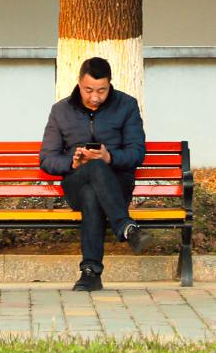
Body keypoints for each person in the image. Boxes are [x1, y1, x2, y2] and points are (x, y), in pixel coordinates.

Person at [39, 55, 147, 292]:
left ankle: (90, 274)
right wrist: (73, 164)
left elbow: (137, 153)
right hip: (75, 183)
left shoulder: (126, 105)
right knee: (89, 178)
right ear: (79, 83)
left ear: (110, 84)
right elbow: (47, 159)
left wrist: (110, 158)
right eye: (89, 90)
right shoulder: (61, 111)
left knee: (93, 188)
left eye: (101, 90)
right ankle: (125, 226)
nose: (95, 97)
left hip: (117, 186)